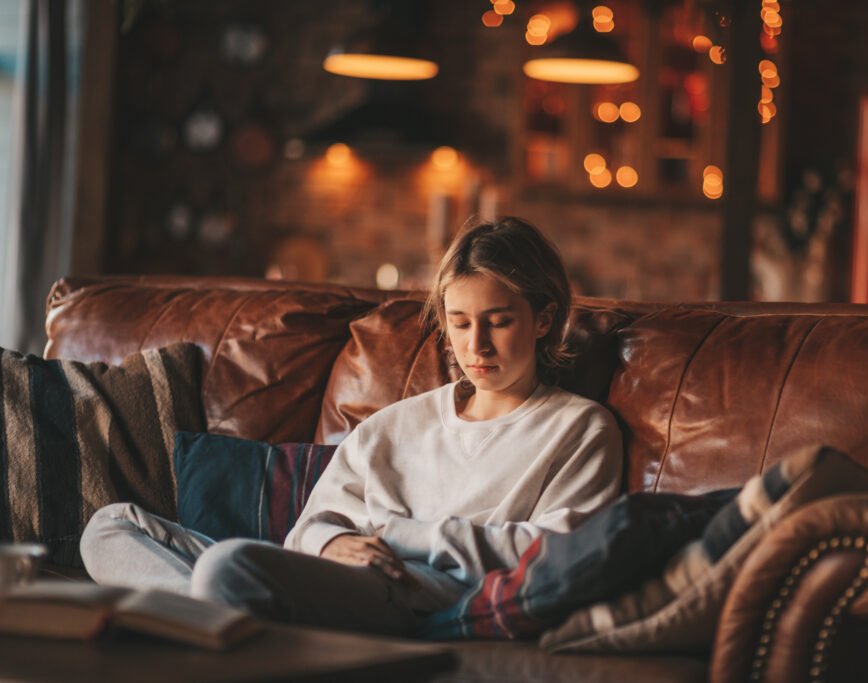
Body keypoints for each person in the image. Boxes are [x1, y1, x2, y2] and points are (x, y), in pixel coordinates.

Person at [79, 217, 623, 635]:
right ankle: (222, 628)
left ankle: (206, 622)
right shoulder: (399, 424)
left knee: (228, 566)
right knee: (110, 526)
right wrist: (334, 539)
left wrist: (397, 536)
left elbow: (559, 552)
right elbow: (310, 525)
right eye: (459, 323)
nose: (475, 345)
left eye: (498, 322)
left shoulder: (580, 430)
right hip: (331, 573)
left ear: (544, 319)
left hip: (413, 593)